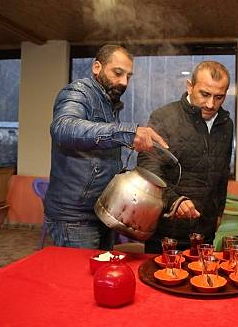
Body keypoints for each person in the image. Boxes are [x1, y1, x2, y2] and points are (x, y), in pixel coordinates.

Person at [44, 44, 168, 250]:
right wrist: (127, 133)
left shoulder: (110, 104)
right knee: (78, 279)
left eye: (128, 76)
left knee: (99, 275)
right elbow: (63, 128)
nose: (123, 82)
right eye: (118, 73)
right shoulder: (78, 92)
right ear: (96, 67)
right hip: (75, 217)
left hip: (103, 210)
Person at [137, 61, 234, 254]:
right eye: (204, 94)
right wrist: (175, 200)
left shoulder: (226, 124)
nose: (210, 104)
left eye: (219, 97)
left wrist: (218, 212)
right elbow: (148, 168)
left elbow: (222, 172)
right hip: (165, 231)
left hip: (204, 233)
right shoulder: (164, 117)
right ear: (190, 86)